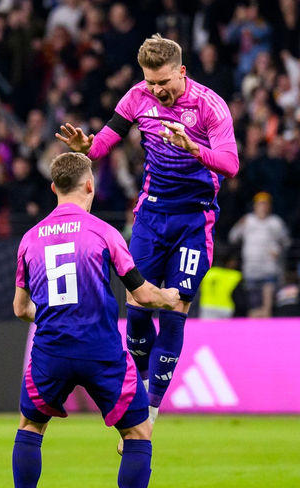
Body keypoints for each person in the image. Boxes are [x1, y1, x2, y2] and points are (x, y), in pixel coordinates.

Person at [55, 34, 238, 423]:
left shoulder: (209, 106)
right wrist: (86, 146)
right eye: (151, 82)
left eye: (164, 82)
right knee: (137, 310)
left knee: (174, 304)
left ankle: (149, 412)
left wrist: (194, 149)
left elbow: (230, 163)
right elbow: (104, 142)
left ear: (182, 72)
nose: (157, 90)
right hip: (151, 216)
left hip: (194, 218)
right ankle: (139, 386)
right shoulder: (137, 97)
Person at [8, 152, 179, 488]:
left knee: (30, 429)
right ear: (90, 185)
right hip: (101, 352)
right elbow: (142, 294)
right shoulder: (104, 233)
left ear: (53, 188)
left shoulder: (30, 238)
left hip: (49, 350)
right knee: (138, 433)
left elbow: (19, 308)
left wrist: (49, 314)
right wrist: (170, 298)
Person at [228, 192, 290, 285]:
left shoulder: (276, 222)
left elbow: (287, 242)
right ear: (255, 206)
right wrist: (239, 225)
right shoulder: (248, 220)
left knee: (269, 298)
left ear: (270, 206)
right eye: (260, 204)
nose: (263, 207)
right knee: (252, 298)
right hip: (251, 270)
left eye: (265, 204)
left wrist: (279, 251)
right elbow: (232, 237)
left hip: (270, 270)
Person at [198, 248, 248, 319]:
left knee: (206, 329)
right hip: (225, 308)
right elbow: (239, 297)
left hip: (206, 306)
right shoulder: (235, 276)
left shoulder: (208, 273)